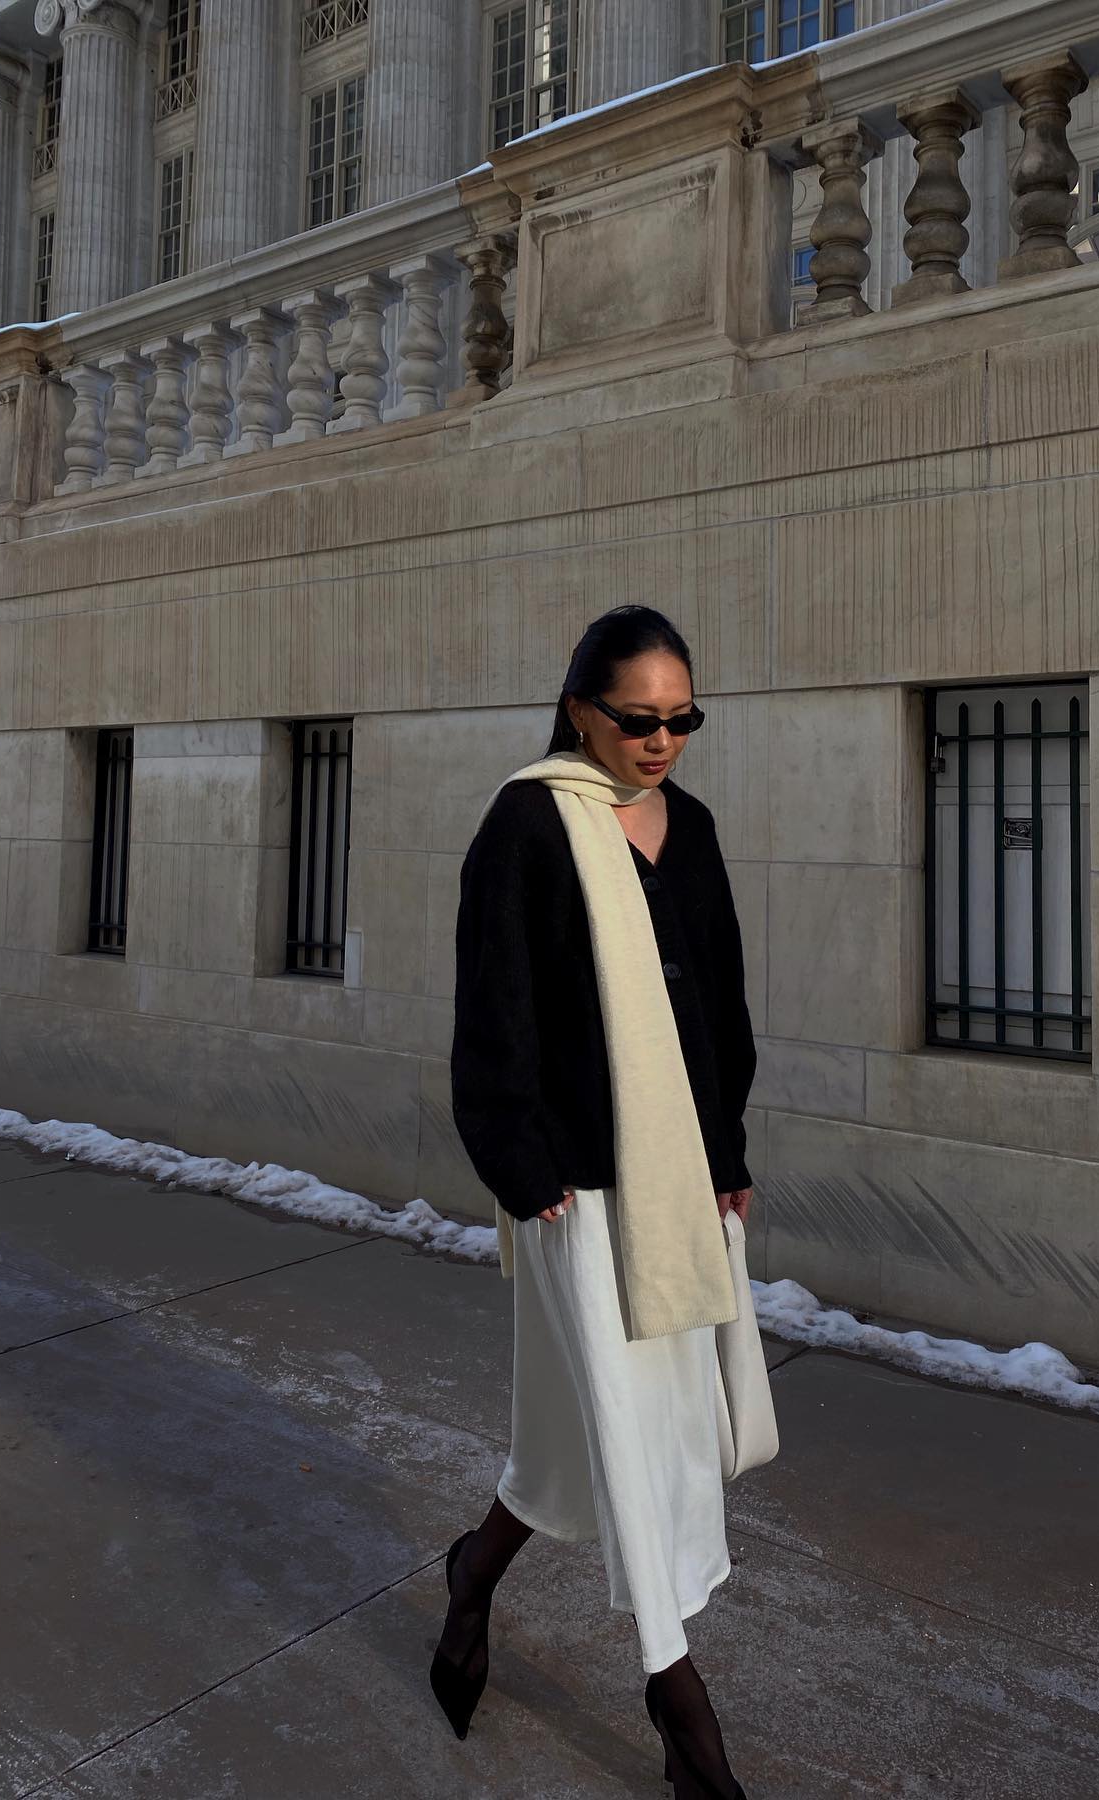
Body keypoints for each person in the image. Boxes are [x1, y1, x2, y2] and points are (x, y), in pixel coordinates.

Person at [435, 604, 758, 1797]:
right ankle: (681, 1706)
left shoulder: (694, 828)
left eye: (683, 720)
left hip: (679, 1182)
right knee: (631, 1435)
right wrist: (521, 1171)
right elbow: (493, 1009)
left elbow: (718, 1005)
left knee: (602, 1440)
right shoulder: (528, 824)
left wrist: (726, 1153)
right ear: (580, 709)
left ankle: (475, 1569)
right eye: (639, 719)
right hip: (573, 1186)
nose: (662, 740)